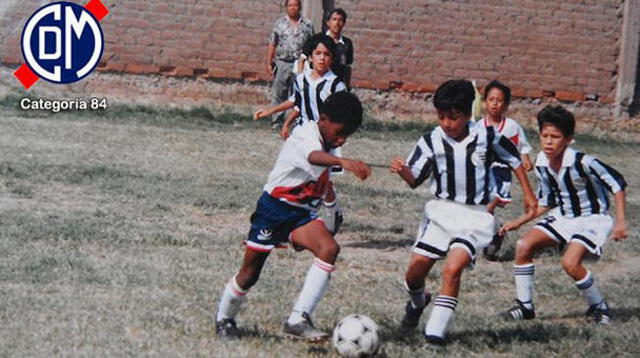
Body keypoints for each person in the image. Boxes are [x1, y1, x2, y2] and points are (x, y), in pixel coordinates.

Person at [215, 92, 371, 342]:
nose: (341, 139)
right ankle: (224, 318)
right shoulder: (305, 134)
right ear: (323, 119)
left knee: (328, 248)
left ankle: (298, 319)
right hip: (274, 210)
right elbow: (314, 158)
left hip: (302, 214)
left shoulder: (331, 143)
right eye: (339, 131)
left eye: (347, 135)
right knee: (249, 274)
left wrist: (331, 207)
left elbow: (324, 178)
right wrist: (345, 162)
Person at [390, 79, 537, 343]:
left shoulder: (487, 136)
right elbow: (414, 180)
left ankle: (435, 332)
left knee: (453, 268)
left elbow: (515, 160)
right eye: (441, 116)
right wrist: (403, 171)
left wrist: (528, 193)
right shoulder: (431, 140)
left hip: (475, 216)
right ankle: (417, 302)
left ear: (468, 114)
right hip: (441, 214)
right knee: (414, 274)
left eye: (453, 117)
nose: (446, 123)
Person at [499, 105, 627, 325]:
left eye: (555, 137)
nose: (548, 142)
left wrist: (621, 222)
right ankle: (525, 306)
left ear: (568, 139)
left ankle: (599, 306)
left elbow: (617, 184)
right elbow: (546, 202)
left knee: (570, 263)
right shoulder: (541, 162)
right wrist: (519, 222)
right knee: (523, 246)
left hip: (592, 219)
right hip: (564, 217)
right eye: (545, 136)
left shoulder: (582, 162)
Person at [255, 33, 348, 234]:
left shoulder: (335, 84)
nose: (322, 58)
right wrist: (276, 115)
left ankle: (331, 214)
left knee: (324, 180)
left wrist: (339, 136)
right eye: (318, 53)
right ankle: (301, 213)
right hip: (303, 134)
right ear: (310, 56)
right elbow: (298, 102)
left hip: (323, 139)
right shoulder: (302, 79)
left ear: (332, 58)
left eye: (327, 54)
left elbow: (343, 114)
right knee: (299, 175)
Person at [480, 80, 534, 261]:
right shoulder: (478, 127)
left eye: (499, 100)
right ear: (484, 102)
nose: (495, 104)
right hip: (484, 172)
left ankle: (490, 236)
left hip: (502, 172)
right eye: (491, 99)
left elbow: (522, 145)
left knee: (491, 204)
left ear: (507, 104)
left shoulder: (511, 126)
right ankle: (495, 233)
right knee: (482, 208)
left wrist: (525, 158)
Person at [265, 0, 314, 128]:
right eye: (290, 5)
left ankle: (296, 121)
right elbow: (272, 43)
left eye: (296, 5)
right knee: (279, 92)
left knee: (298, 92)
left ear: (300, 7)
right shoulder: (279, 24)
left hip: (300, 64)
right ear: (286, 7)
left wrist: (310, 62)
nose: (293, 8)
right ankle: (277, 121)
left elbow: (312, 44)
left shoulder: (307, 24)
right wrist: (269, 62)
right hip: (282, 62)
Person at [325, 8, 354, 89]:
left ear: (344, 23)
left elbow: (348, 65)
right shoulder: (319, 39)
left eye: (340, 20)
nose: (337, 23)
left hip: (339, 82)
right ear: (328, 22)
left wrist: (346, 85)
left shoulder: (347, 43)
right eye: (334, 19)